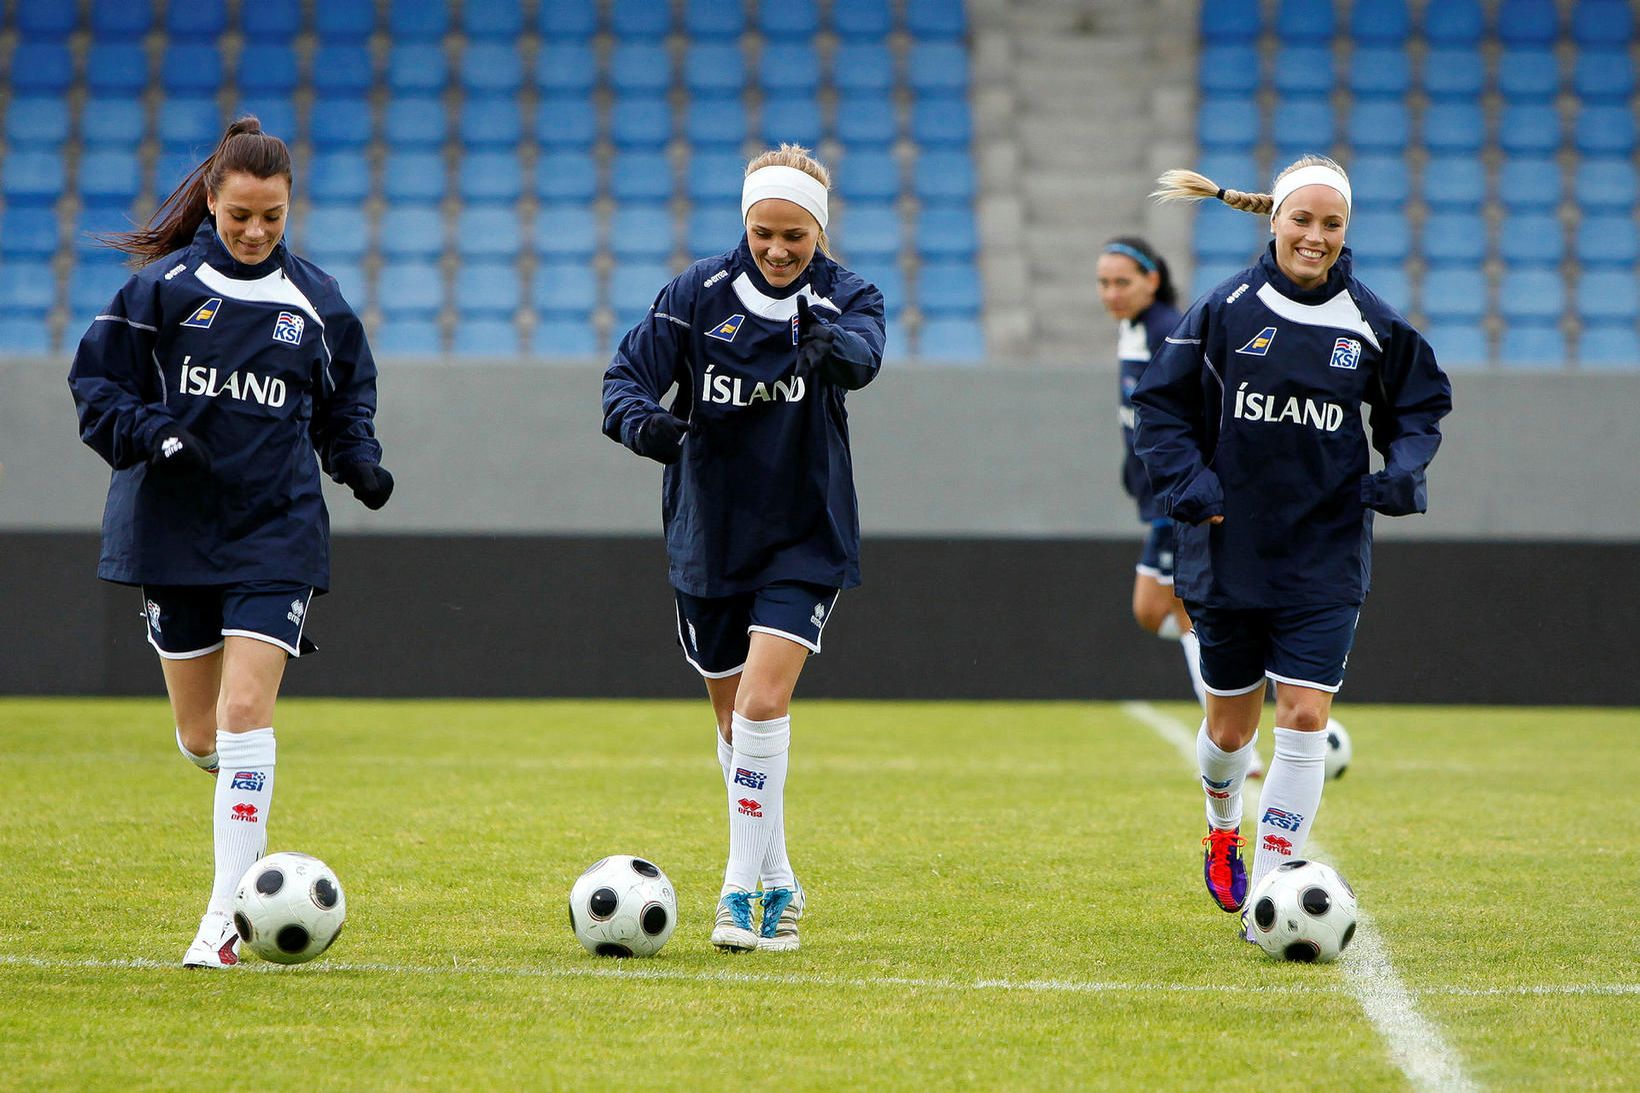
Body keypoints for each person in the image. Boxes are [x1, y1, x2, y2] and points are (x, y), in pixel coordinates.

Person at [68, 117, 393, 968]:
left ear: (290, 210)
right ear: (211, 200)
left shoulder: (316, 303)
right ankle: (234, 779)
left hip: (275, 528)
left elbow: (344, 400)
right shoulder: (160, 292)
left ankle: (224, 920)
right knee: (205, 735)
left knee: (248, 714)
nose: (255, 232)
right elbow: (96, 386)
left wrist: (356, 460)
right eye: (241, 215)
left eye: (273, 218)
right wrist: (152, 433)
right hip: (172, 529)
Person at [1132, 155, 1451, 940]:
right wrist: (1193, 486)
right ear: (1273, 220)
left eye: (1331, 224)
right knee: (1231, 731)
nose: (1315, 236)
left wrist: (1401, 472)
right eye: (1302, 220)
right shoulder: (1226, 310)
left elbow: (1420, 408)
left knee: (1304, 714)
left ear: (1346, 231)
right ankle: (1220, 824)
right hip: (1227, 548)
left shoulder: (1373, 323)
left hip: (1327, 552)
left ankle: (1272, 886)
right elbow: (1160, 411)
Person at [601, 144, 885, 953]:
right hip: (709, 534)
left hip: (804, 533)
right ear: (745, 224)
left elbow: (865, 355)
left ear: (819, 231)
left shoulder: (848, 297)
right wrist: (647, 425)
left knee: (763, 705)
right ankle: (781, 877)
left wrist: (836, 351)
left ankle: (736, 894)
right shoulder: (695, 295)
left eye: (795, 235)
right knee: (735, 728)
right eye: (764, 232)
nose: (777, 249)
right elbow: (624, 377)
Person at [1098, 238, 1264, 778]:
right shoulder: (1133, 332)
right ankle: (1244, 671)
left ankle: (1236, 737)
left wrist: (1192, 485)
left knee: (1187, 613)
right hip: (1156, 498)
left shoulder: (1171, 329)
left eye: (1122, 281)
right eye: (1104, 283)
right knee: (1154, 611)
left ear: (1153, 278)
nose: (1112, 293)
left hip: (1180, 499)